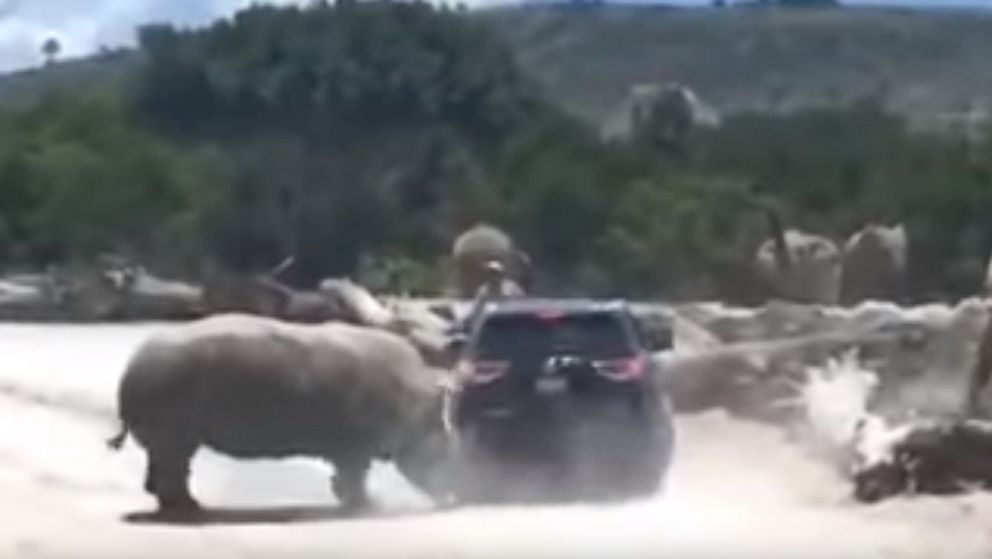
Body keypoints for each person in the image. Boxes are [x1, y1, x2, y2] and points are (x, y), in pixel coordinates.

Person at [459, 260, 524, 333]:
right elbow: (477, 308)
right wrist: (466, 323)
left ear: (501, 274)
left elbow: (522, 303)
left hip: (510, 323)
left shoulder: (511, 288)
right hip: (493, 324)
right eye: (490, 273)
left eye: (495, 273)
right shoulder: (484, 291)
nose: (492, 276)